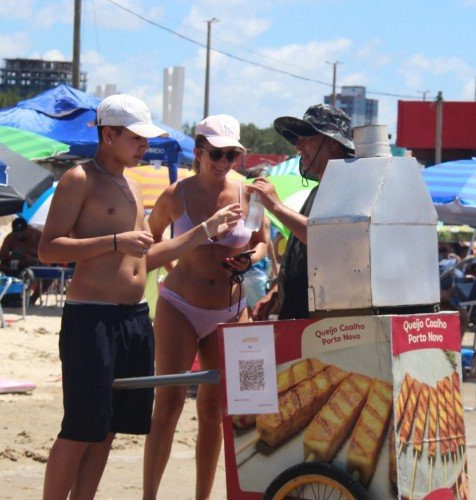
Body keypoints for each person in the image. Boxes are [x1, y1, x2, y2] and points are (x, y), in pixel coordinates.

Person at [39, 95, 242, 500]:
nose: (144, 147)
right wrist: (114, 240)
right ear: (109, 134)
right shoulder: (80, 178)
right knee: (80, 427)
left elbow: (146, 258)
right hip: (92, 315)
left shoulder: (131, 183)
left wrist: (204, 232)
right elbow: (48, 250)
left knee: (108, 428)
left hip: (132, 316)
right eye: (136, 138)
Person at [143, 114, 267, 500]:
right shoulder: (176, 194)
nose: (225, 162)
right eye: (217, 153)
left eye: (232, 154)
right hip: (181, 304)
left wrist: (249, 260)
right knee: (168, 405)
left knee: (214, 414)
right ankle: (149, 496)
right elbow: (149, 242)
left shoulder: (248, 193)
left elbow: (262, 241)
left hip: (230, 309)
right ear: (198, 151)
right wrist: (172, 265)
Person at [247, 104, 354, 320]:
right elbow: (302, 251)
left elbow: (324, 239)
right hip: (302, 320)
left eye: (306, 138)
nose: (298, 147)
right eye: (297, 140)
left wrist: (276, 206)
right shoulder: (320, 190)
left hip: (327, 326)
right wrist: (277, 293)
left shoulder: (349, 188)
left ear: (332, 143)